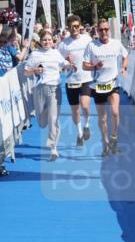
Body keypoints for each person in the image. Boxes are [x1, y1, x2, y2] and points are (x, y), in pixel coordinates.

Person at [84, 20, 129, 156]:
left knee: (115, 112)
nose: (103, 32)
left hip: (113, 83)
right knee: (102, 118)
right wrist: (94, 67)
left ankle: (114, 137)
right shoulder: (91, 46)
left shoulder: (116, 44)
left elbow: (125, 55)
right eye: (101, 30)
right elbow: (84, 65)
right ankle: (105, 143)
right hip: (98, 85)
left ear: (109, 30)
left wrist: (123, 67)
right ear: (97, 31)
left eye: (106, 29)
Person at [25, 30, 69, 160]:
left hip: (54, 88)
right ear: (40, 41)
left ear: (52, 41)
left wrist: (70, 65)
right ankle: (50, 132)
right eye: (45, 40)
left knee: (53, 119)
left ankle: (53, 148)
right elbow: (26, 71)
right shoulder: (35, 54)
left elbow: (64, 63)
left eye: (49, 40)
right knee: (42, 122)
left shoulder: (55, 53)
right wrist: (34, 70)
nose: (47, 42)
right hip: (39, 90)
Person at [57, 15, 94, 147]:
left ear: (80, 26)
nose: (75, 29)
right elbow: (58, 62)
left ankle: (87, 125)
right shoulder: (63, 44)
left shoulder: (87, 39)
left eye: (77, 26)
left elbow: (93, 55)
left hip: (86, 78)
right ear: (68, 27)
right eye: (72, 27)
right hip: (71, 80)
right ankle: (79, 134)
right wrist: (66, 61)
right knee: (75, 110)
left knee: (85, 105)